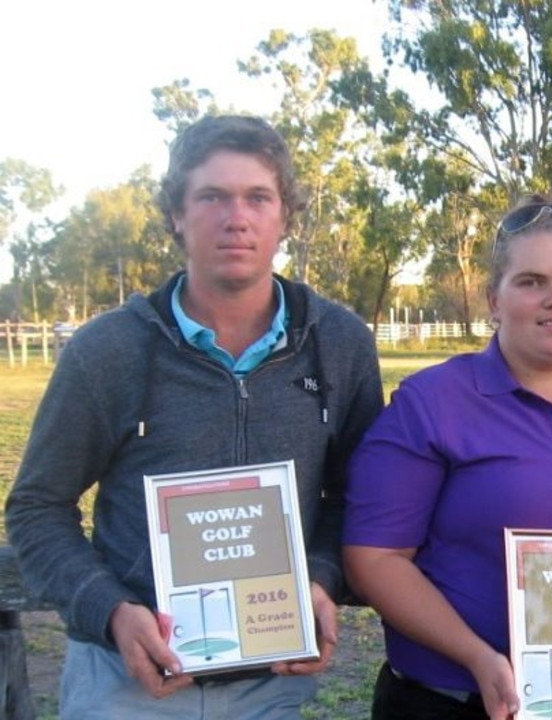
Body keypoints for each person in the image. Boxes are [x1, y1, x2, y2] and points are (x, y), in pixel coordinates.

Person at [4, 114, 385, 718]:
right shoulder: (107, 351)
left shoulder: (339, 343)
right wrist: (109, 611)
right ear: (177, 215)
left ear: (284, 215)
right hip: (123, 682)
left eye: (258, 197)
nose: (237, 217)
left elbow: (358, 497)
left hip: (273, 684)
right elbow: (36, 508)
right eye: (212, 196)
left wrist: (319, 577)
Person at [342, 195, 552, 720]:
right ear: (494, 299)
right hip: (454, 700)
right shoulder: (432, 402)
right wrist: (477, 658)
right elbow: (373, 559)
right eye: (532, 281)